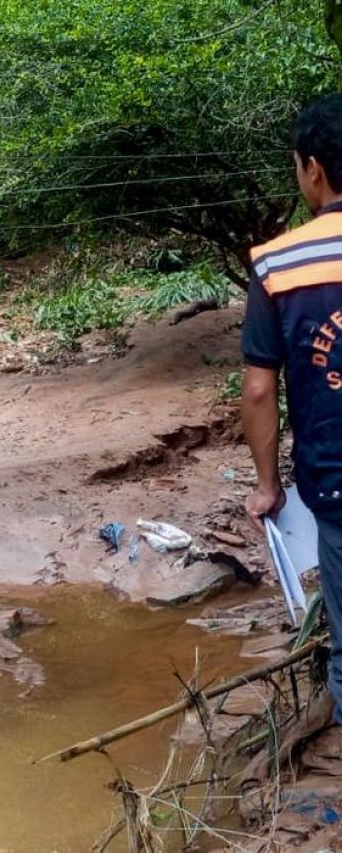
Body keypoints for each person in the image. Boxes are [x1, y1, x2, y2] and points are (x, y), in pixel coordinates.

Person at [242, 93, 342, 724]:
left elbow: (258, 390)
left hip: (334, 483)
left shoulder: (279, 263)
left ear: (312, 169)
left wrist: (267, 486)